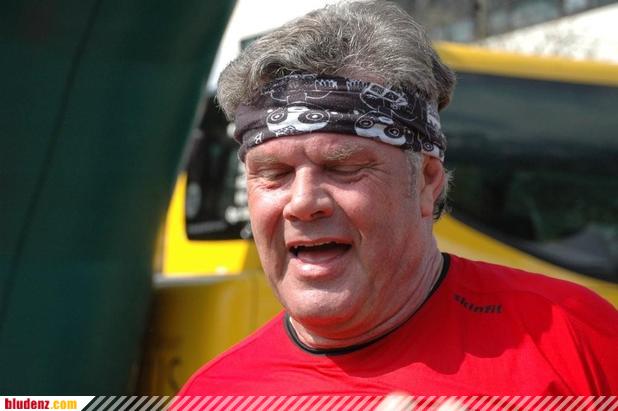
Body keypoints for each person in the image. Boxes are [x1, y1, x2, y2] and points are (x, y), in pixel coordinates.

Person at [178, 0, 618, 402]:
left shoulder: (575, 336)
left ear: (426, 182)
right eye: (274, 174)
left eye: (343, 167)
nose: (303, 202)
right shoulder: (213, 394)